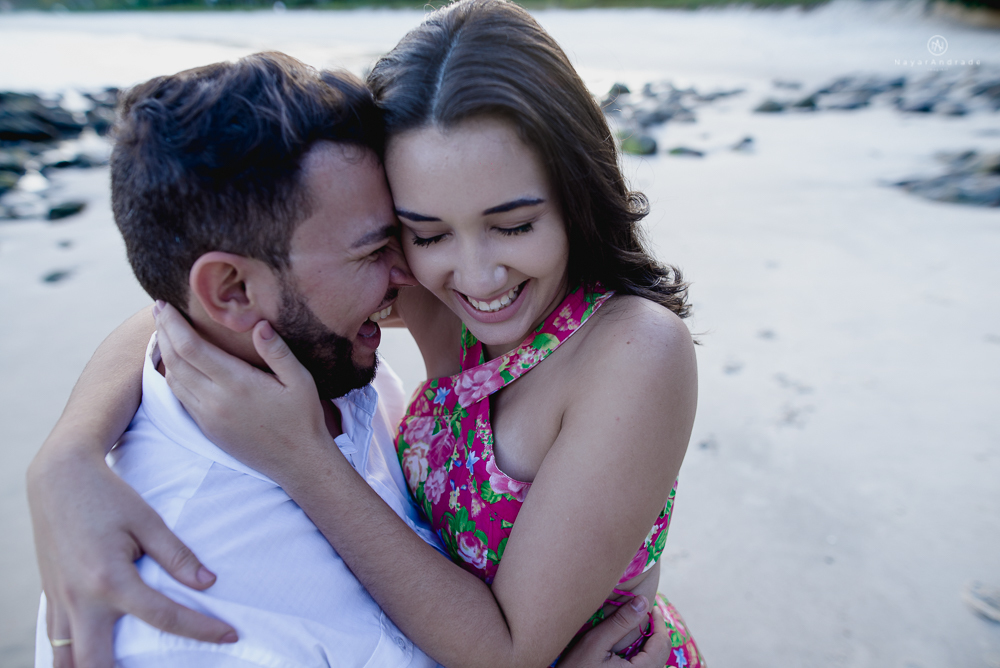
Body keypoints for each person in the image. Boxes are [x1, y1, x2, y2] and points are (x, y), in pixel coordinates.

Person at [29, 1, 701, 666]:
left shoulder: (632, 349)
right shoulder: (440, 296)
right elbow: (191, 310)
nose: (475, 273)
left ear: (575, 193)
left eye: (515, 224)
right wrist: (68, 455)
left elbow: (509, 652)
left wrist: (303, 459)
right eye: (425, 231)